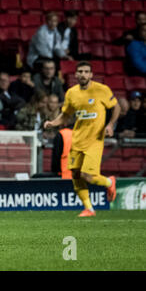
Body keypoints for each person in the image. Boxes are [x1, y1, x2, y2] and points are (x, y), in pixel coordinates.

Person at [44, 61, 121, 217]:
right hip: (77, 139)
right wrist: (53, 123)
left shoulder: (101, 90)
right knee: (76, 175)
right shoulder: (72, 93)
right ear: (76, 74)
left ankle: (109, 182)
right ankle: (89, 209)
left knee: (89, 176)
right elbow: (66, 115)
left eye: (86, 71)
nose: (83, 74)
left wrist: (111, 125)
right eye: (80, 71)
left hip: (95, 140)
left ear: (91, 74)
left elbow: (116, 107)